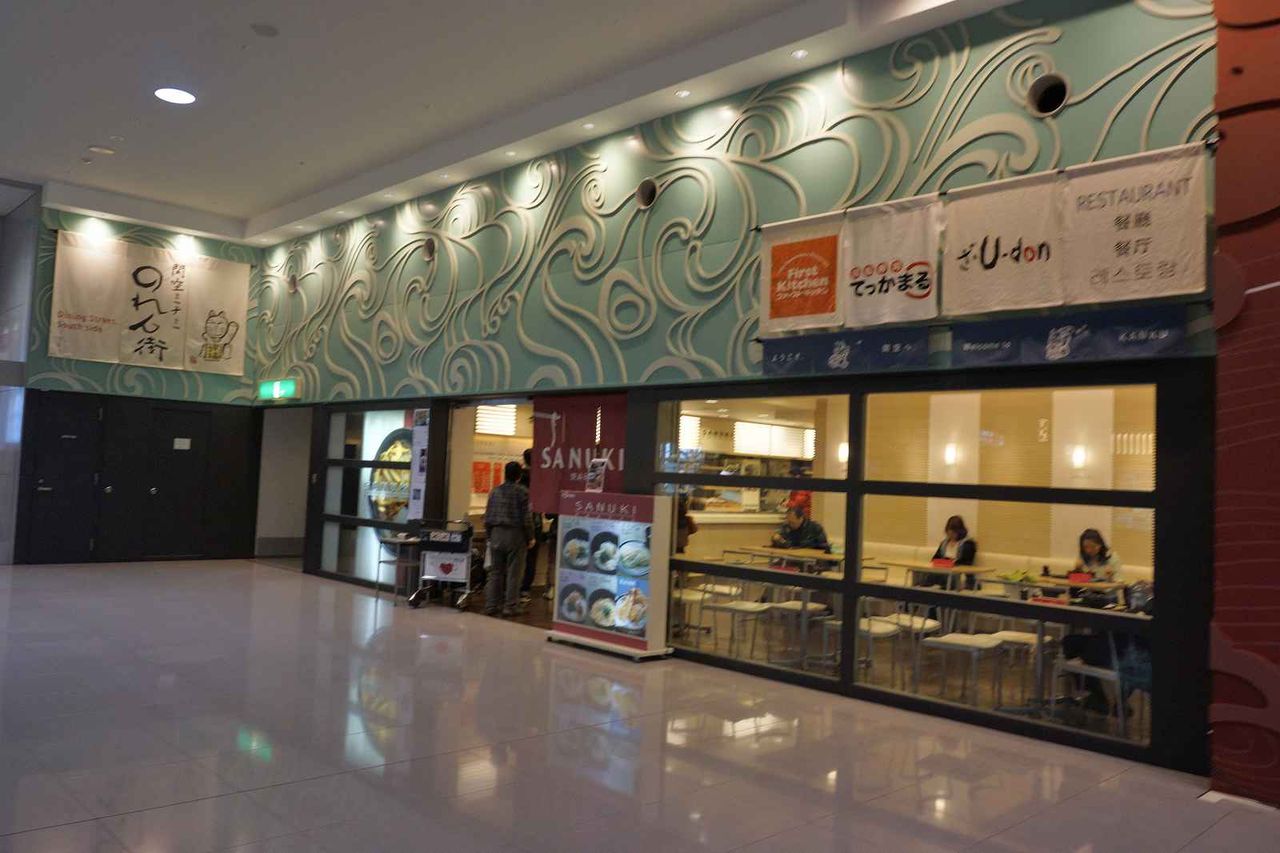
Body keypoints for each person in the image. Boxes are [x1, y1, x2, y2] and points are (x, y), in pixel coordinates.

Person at [484, 461, 535, 617]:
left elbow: (488, 516)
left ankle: (491, 605)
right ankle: (510, 606)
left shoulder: (494, 491)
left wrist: (489, 535)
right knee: (514, 572)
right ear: (519, 476)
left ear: (505, 474)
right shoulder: (523, 492)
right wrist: (531, 537)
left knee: (495, 572)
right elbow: (527, 518)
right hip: (515, 535)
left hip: (496, 533)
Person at [916, 515, 977, 590]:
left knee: (943, 577)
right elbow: (935, 558)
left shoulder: (968, 544)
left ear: (960, 531)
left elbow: (966, 563)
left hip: (959, 574)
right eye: (949, 533)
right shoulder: (944, 543)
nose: (951, 535)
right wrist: (942, 562)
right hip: (943, 571)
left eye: (953, 533)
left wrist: (950, 563)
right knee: (922, 574)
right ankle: (918, 590)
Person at [518, 448, 545, 600]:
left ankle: (513, 588)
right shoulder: (540, 478)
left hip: (517, 525)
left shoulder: (519, 477)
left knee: (516, 559)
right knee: (531, 559)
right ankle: (525, 589)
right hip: (535, 523)